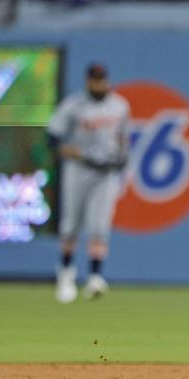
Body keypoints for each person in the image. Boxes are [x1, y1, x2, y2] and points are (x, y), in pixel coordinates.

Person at [46, 63, 131, 303]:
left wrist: (123, 157)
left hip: (106, 171)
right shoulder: (74, 105)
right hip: (79, 169)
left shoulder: (120, 105)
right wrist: (68, 151)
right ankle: (65, 273)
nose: (99, 83)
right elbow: (52, 137)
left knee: (99, 225)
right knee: (71, 224)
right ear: (87, 81)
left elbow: (123, 137)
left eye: (102, 79)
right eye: (95, 79)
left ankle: (95, 277)